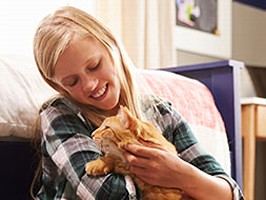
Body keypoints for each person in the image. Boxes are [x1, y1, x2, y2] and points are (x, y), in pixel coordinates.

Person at [32, 6, 244, 200]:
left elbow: (229, 193)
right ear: (59, 86)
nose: (89, 84)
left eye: (94, 65)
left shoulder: (162, 114)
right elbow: (108, 194)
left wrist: (180, 173)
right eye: (72, 81)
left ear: (111, 45)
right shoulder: (59, 115)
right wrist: (186, 186)